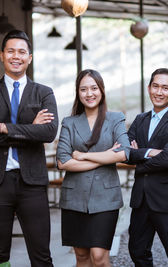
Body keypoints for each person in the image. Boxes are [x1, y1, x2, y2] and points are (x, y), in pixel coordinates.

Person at [0, 30, 57, 267]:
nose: (15, 56)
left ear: (30, 57)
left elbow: (48, 133)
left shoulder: (43, 93)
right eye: (10, 51)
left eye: (21, 52)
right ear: (2, 55)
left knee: (41, 255)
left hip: (33, 184)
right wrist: (29, 131)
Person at [56, 69, 130, 267]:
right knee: (81, 256)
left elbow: (123, 153)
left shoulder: (115, 119)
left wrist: (83, 155)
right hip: (74, 199)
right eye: (83, 89)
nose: (89, 93)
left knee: (99, 257)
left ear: (102, 90)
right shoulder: (69, 122)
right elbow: (63, 161)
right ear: (78, 93)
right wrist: (105, 157)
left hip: (106, 199)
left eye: (94, 88)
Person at [127, 68, 168, 267]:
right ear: (149, 88)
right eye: (155, 86)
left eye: (165, 88)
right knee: (137, 252)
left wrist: (139, 161)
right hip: (141, 200)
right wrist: (149, 152)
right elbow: (126, 152)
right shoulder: (139, 120)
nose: (159, 92)